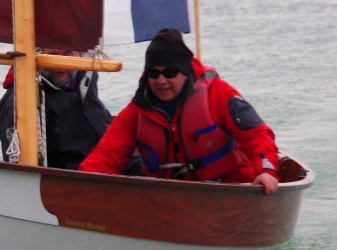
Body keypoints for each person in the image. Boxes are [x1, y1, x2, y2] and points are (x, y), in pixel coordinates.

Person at [78, 28, 281, 194]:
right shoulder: (137, 112)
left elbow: (257, 135)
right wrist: (80, 184)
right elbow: (108, 153)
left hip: (230, 193)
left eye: (170, 72)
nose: (161, 80)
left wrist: (267, 171)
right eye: (154, 73)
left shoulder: (219, 94)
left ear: (184, 73)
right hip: (171, 201)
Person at [0, 49, 117, 170]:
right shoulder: (22, 99)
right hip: (74, 178)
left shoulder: (85, 81)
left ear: (79, 55)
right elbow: (16, 162)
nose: (60, 64)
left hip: (107, 160)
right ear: (37, 55)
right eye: (52, 56)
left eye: (67, 55)